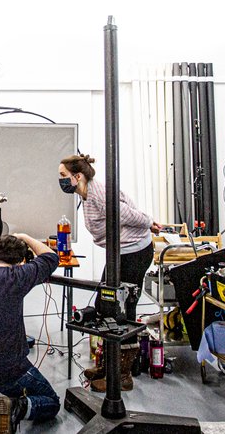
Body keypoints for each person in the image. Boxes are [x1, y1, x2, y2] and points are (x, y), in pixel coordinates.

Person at [58, 153, 161, 391]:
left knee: (122, 310)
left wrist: (150, 222)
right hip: (119, 253)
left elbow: (130, 214)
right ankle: (107, 365)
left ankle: (123, 375)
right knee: (105, 306)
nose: (60, 180)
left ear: (77, 176)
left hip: (134, 252)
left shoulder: (99, 194)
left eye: (63, 175)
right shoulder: (86, 193)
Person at [0, 233, 61, 434]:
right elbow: (51, 257)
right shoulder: (17, 277)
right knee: (52, 402)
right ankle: (17, 406)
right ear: (21, 262)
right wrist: (25, 236)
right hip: (8, 373)